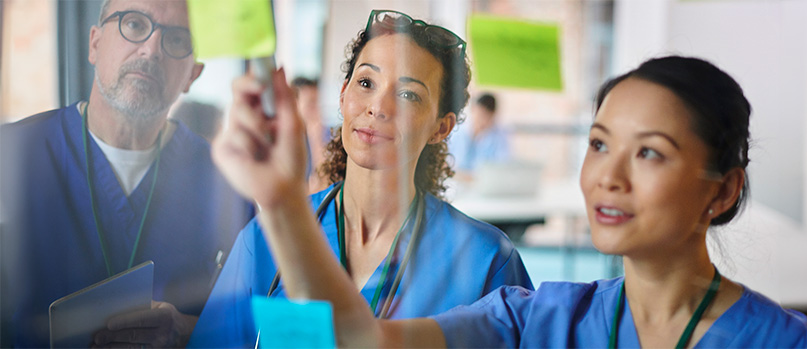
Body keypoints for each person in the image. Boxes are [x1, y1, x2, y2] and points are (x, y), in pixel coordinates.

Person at [210, 55, 807, 347]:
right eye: (597, 144)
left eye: (649, 153)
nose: (607, 176)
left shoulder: (782, 345)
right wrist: (282, 198)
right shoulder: (536, 319)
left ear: (723, 190)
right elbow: (357, 339)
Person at [189, 10, 533, 347]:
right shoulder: (265, 238)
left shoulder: (485, 260)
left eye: (408, 95)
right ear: (343, 95)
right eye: (366, 83)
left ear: (440, 128)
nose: (378, 107)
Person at [0, 0, 252, 347]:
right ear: (95, 43)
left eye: (177, 39)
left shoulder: (226, 182)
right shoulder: (12, 155)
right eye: (134, 24)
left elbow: (256, 325)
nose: (151, 50)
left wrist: (183, 330)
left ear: (193, 74)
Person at [448, 92, 511, 178]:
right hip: (454, 181)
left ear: (493, 116)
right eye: (480, 114)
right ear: (473, 110)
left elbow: (501, 167)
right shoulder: (457, 131)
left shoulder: (499, 137)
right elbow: (445, 162)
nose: (482, 121)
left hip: (480, 184)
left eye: (486, 117)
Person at [291, 77, 331, 193]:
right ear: (294, 103)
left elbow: (326, 183)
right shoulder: (287, 140)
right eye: (310, 103)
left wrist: (316, 138)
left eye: (317, 102)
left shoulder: (326, 134)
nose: (316, 110)